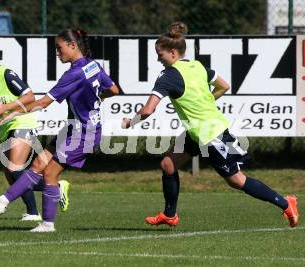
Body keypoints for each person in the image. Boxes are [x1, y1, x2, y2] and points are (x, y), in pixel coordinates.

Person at [122, 22, 299, 228]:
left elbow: (147, 110)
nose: (158, 59)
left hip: (212, 134)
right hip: (197, 132)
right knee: (168, 164)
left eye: (159, 54)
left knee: (236, 181)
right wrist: (207, 101)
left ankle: (287, 203)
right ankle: (170, 215)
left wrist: (130, 122)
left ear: (172, 52)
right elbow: (224, 86)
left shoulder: (169, 75)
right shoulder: (196, 66)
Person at [0, 29, 120, 232]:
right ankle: (3, 200)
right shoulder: (93, 65)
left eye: (59, 49)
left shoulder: (73, 73)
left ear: (72, 45)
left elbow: (42, 102)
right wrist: (95, 99)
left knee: (50, 172)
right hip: (74, 128)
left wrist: (13, 114)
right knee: (38, 163)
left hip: (83, 133)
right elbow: (114, 90)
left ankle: (47, 223)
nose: (57, 53)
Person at [0, 39, 70, 222]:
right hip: (5, 127)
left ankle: (31, 210)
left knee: (14, 167)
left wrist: (6, 108)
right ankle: (46, 196)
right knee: (11, 174)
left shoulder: (5, 74)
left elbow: (30, 96)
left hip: (23, 121)